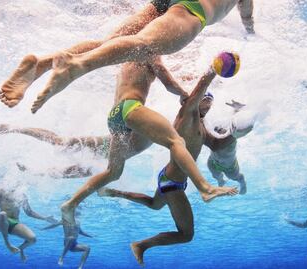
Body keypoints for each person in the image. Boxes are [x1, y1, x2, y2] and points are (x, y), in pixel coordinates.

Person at [59, 56, 237, 228]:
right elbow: (168, 83)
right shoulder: (150, 50)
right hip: (130, 106)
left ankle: (71, 204)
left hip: (114, 117)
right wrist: (184, 93)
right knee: (175, 141)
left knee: (113, 172)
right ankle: (205, 187)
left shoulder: (125, 58)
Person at [0, 0, 255, 111]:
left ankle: (40, 65)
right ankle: (76, 66)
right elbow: (247, 18)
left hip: (163, 1)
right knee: (144, 45)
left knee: (112, 43)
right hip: (195, 8)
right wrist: (251, 33)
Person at [98, 65, 238, 265]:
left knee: (155, 205)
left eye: (209, 103)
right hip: (172, 182)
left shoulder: (200, 126)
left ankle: (116, 193)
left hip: (170, 179)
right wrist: (213, 69)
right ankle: (141, 245)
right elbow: (198, 91)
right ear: (197, 101)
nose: (207, 105)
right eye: (204, 101)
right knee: (186, 234)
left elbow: (217, 144)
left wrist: (239, 127)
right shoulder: (187, 114)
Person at [0, 187, 57, 262]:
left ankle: (20, 249)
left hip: (15, 222)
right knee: (2, 214)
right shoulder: (0, 191)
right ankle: (8, 245)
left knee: (33, 239)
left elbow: (29, 212)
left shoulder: (22, 195)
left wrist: (45, 218)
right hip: (2, 221)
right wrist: (0, 205)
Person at [204, 99, 254, 194]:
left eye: (221, 130)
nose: (218, 131)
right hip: (213, 162)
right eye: (217, 130)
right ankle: (220, 180)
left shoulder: (231, 137)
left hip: (230, 167)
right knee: (215, 174)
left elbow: (237, 123)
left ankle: (243, 183)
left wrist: (238, 110)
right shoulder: (213, 135)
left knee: (236, 177)